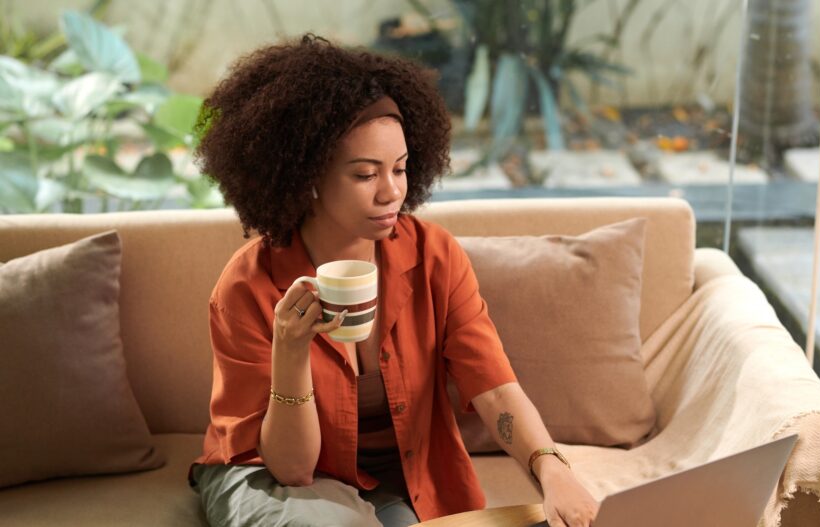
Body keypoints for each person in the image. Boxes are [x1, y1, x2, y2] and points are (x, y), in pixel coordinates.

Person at [187, 34, 599, 527]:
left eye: (400, 169)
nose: (391, 193)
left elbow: (492, 388)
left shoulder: (433, 256)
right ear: (308, 178)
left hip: (393, 478)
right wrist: (290, 349)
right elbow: (292, 469)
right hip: (266, 471)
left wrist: (550, 468)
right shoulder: (247, 287)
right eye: (364, 175)